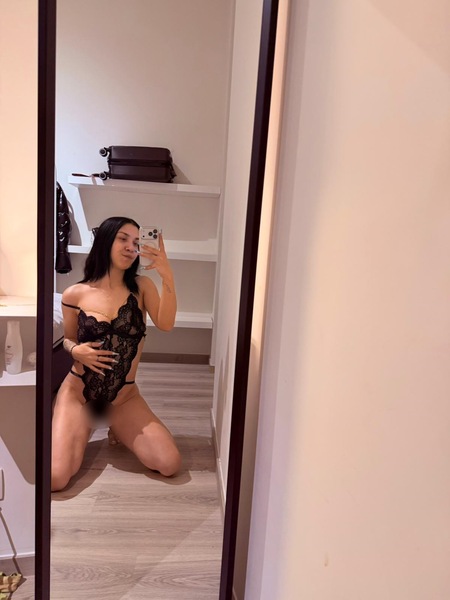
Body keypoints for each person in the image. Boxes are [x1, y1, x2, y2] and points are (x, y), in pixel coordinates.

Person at [51, 216, 181, 492]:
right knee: (56, 478)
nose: (130, 247)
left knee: (169, 464)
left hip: (123, 397)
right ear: (105, 241)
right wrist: (76, 350)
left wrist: (167, 275)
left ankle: (114, 425)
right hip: (79, 393)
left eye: (136, 242)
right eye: (123, 239)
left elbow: (166, 324)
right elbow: (68, 340)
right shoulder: (74, 294)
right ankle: (83, 423)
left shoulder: (142, 287)